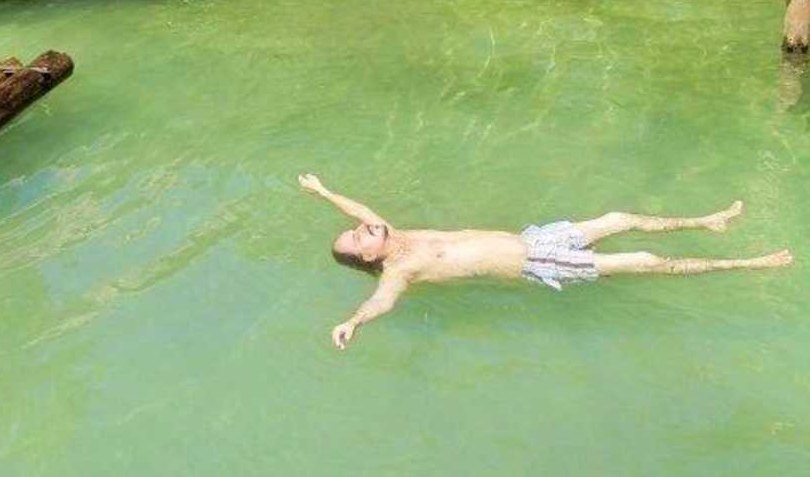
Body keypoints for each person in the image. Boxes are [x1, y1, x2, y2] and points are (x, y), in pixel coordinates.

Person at [299, 174, 793, 350]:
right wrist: (353, 322)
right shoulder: (398, 269)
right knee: (645, 260)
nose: (363, 227)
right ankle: (748, 264)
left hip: (536, 239)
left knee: (619, 218)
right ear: (368, 257)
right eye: (358, 237)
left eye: (359, 227)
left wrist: (322, 192)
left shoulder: (397, 234)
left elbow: (358, 208)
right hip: (543, 266)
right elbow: (382, 302)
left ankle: (708, 221)